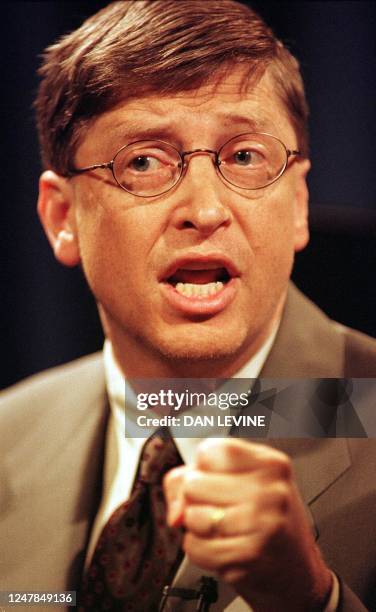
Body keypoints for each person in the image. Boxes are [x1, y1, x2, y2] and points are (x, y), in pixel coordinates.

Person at [1, 1, 375, 611]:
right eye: (144, 162)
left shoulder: (366, 408)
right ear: (63, 218)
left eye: (245, 157)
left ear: (299, 202)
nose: (205, 209)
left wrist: (308, 599)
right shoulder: (8, 435)